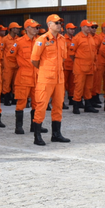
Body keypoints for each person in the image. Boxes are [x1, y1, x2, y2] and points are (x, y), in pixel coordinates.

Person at [30, 14, 70, 146]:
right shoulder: (42, 39)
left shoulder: (63, 39)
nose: (59, 25)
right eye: (56, 22)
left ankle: (56, 134)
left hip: (59, 79)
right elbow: (34, 60)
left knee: (58, 106)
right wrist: (45, 69)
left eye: (60, 22)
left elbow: (63, 58)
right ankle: (37, 135)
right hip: (46, 78)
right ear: (49, 25)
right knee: (41, 106)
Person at [9, 19, 43, 135]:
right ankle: (19, 127)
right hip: (24, 76)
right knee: (21, 102)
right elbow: (10, 57)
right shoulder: (19, 42)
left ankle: (35, 126)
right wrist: (20, 65)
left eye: (37, 27)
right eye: (33, 27)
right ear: (27, 28)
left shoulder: (39, 41)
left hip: (36, 76)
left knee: (37, 103)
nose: (36, 29)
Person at [71, 20, 99, 114]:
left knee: (88, 88)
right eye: (87, 26)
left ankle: (88, 105)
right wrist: (79, 62)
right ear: (82, 27)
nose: (89, 28)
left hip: (90, 67)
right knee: (79, 87)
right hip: (80, 68)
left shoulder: (91, 37)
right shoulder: (77, 38)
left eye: (90, 27)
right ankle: (76, 105)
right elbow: (71, 53)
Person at [1, 22, 21, 106]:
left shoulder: (19, 39)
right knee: (7, 81)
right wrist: (2, 63)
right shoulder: (5, 39)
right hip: (7, 64)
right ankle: (6, 99)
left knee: (16, 82)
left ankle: (14, 99)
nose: (18, 30)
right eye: (16, 28)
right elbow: (1, 51)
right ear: (12, 29)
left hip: (16, 64)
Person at [63, 23, 77, 107]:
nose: (72, 31)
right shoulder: (63, 39)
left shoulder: (75, 39)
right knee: (63, 85)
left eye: (73, 29)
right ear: (67, 30)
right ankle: (61, 101)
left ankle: (71, 98)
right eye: (71, 29)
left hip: (73, 65)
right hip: (65, 65)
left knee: (72, 83)